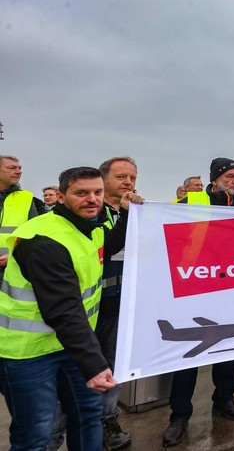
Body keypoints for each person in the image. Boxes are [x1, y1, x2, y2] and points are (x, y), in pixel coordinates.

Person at [0, 166, 141, 450]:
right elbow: (63, 310)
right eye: (82, 193)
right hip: (28, 352)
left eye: (97, 192)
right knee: (37, 435)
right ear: (61, 197)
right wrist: (95, 364)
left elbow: (109, 243)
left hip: (69, 346)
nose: (92, 199)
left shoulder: (89, 227)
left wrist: (125, 213)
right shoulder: (43, 240)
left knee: (88, 415)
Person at [162, 158, 234, 447]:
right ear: (215, 179)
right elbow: (159, 225)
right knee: (189, 354)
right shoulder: (191, 201)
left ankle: (224, 399)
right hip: (195, 285)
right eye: (229, 175)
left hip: (231, 285)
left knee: (227, 346)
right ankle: (180, 415)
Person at [95, 156, 138, 449]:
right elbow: (108, 246)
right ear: (104, 179)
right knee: (88, 368)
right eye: (121, 177)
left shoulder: (135, 211)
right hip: (93, 306)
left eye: (132, 178)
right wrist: (126, 214)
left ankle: (108, 421)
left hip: (125, 301)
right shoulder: (92, 211)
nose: (128, 183)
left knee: (115, 366)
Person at [1, 155, 47, 278]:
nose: (18, 171)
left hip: (12, 267)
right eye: (12, 168)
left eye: (19, 168)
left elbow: (33, 235)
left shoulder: (26, 198)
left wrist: (12, 256)